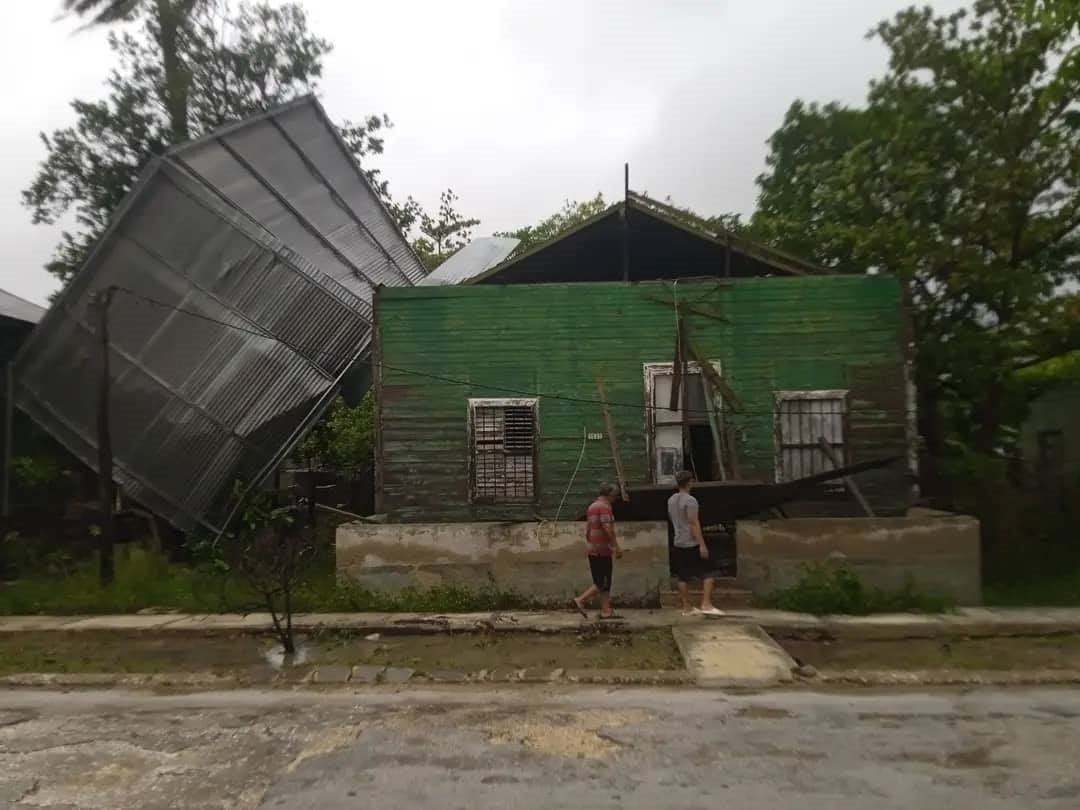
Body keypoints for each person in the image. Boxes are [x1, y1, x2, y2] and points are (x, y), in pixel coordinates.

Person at [668, 470, 724, 616]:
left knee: (682, 576)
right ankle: (706, 604)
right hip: (690, 542)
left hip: (678, 542)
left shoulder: (671, 500)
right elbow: (693, 523)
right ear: (690, 482)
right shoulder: (690, 500)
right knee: (710, 571)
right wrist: (702, 545)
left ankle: (687, 607)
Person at [573, 483, 622, 619]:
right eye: (615, 495)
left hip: (593, 548)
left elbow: (589, 529)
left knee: (604, 581)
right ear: (610, 495)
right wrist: (616, 546)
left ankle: (606, 610)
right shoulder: (605, 507)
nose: (616, 498)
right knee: (602, 582)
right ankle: (581, 599)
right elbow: (607, 527)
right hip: (602, 549)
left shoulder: (593, 506)